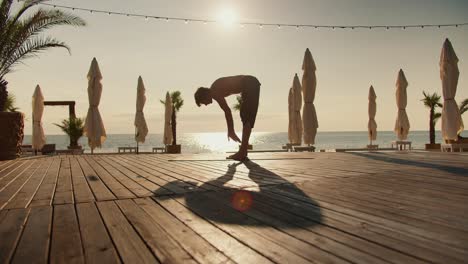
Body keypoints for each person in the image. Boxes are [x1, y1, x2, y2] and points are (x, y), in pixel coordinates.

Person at [195, 75, 261, 161]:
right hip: (250, 84)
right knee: (245, 115)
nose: (206, 104)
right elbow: (227, 111)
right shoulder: (214, 89)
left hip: (250, 83)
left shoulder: (214, 91)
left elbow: (227, 111)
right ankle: (243, 151)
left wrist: (231, 131)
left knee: (247, 115)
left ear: (205, 95)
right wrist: (231, 131)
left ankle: (242, 152)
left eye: (203, 102)